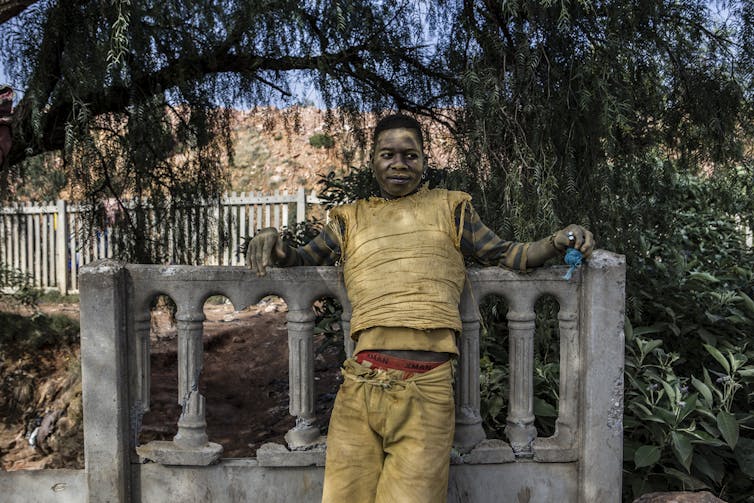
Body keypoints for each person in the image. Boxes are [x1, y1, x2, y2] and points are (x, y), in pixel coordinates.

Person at [247, 114, 594, 503]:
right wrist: (271, 239)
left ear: (425, 161)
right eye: (388, 154)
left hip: (427, 393)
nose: (399, 164)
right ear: (373, 160)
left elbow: (509, 254)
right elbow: (297, 259)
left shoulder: (452, 209)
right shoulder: (349, 219)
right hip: (359, 388)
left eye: (410, 155)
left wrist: (560, 239)